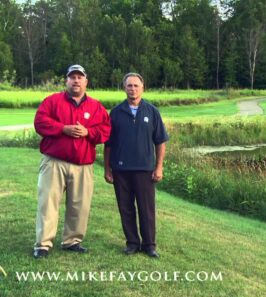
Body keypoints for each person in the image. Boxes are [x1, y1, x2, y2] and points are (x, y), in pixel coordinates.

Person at [33, 64, 111, 258]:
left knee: (80, 205)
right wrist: (62, 129)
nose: (76, 80)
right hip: (54, 162)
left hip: (83, 165)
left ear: (86, 81)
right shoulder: (52, 101)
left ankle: (72, 241)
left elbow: (105, 130)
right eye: (72, 77)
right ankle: (43, 244)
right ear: (66, 80)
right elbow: (40, 122)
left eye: (80, 77)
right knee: (48, 203)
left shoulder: (96, 107)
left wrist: (88, 132)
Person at [104, 72, 169, 258]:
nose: (132, 88)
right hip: (121, 170)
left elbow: (160, 141)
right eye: (129, 85)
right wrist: (107, 169)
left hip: (145, 170)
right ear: (124, 88)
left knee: (146, 209)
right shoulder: (116, 113)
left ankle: (149, 245)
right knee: (126, 208)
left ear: (143, 88)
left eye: (136, 85)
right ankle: (132, 243)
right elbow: (108, 144)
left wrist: (159, 167)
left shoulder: (152, 111)